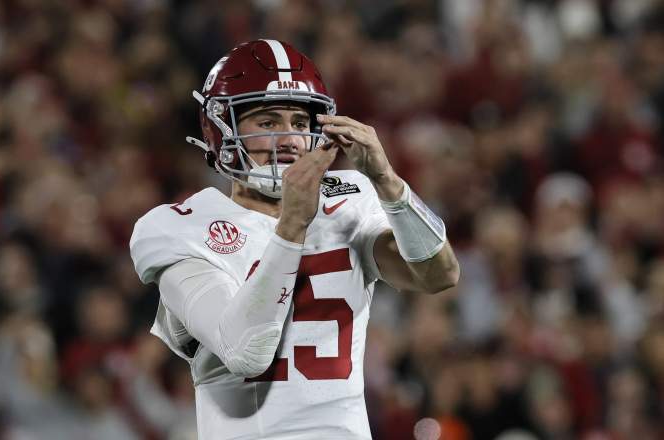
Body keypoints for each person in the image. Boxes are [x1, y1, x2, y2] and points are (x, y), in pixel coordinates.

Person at [130, 39, 460, 439]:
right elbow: (245, 351)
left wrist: (389, 183)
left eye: (300, 124)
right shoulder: (182, 227)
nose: (288, 139)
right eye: (268, 122)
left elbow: (438, 275)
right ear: (221, 130)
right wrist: (292, 226)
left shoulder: (350, 198)